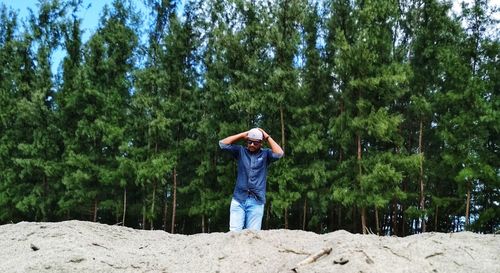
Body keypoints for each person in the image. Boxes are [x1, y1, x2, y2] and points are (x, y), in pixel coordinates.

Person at [219, 128, 284, 231]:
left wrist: (267, 136)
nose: (252, 145)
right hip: (238, 200)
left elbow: (280, 153)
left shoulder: (266, 154)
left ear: (261, 143)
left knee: (253, 236)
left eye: (255, 143)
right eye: (250, 142)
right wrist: (243, 134)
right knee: (234, 234)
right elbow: (222, 144)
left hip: (256, 202)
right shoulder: (240, 151)